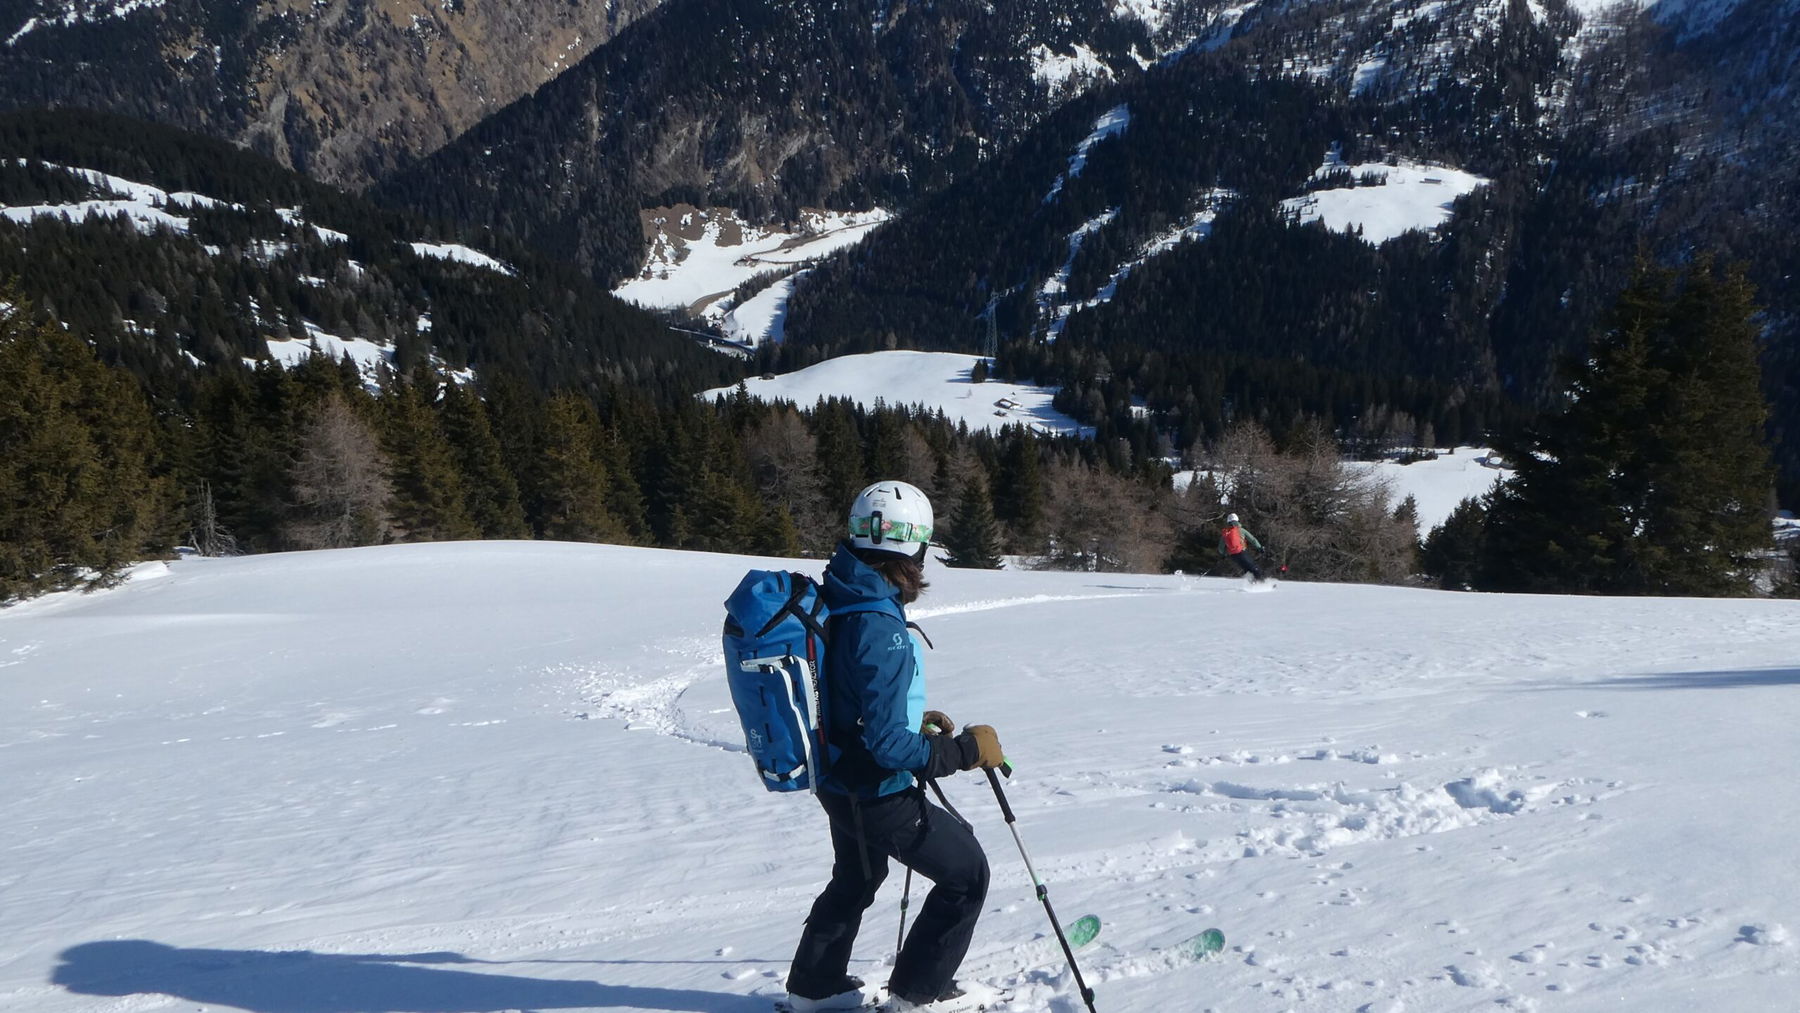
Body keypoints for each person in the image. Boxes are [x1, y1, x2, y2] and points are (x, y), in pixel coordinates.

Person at [784, 480, 1008, 1013]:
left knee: (859, 874)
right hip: (874, 789)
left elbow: (849, 688)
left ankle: (813, 990)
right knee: (966, 874)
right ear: (915, 546)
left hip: (836, 779)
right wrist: (966, 752)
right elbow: (887, 746)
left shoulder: (841, 589)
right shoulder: (877, 622)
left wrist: (912, 716)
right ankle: (915, 997)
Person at [1218, 512, 1266, 581]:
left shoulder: (1225, 533)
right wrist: (1259, 548)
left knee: (1247, 570)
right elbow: (1252, 539)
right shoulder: (1241, 530)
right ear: (1237, 520)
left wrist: (1223, 554)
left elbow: (1220, 548)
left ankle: (1253, 585)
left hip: (1233, 556)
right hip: (1241, 553)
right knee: (1253, 567)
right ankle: (1262, 583)